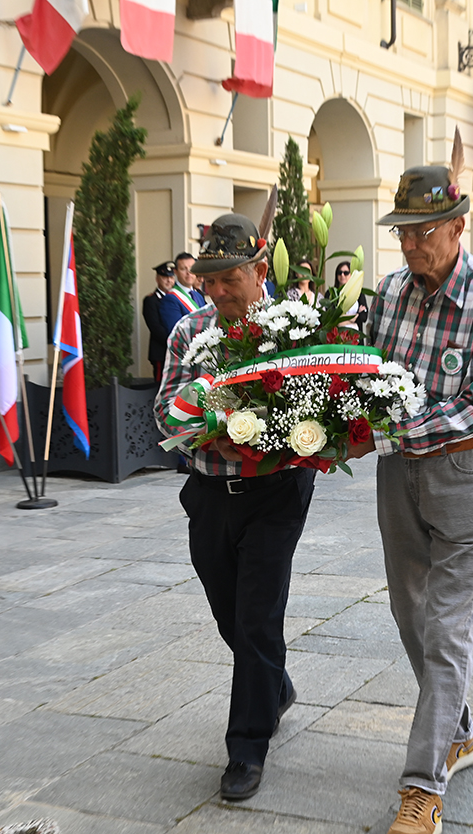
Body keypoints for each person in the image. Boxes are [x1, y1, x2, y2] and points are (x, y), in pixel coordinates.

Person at [353, 163, 473, 834]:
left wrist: (383, 435)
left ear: (458, 226)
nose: (411, 245)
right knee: (410, 613)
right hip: (398, 476)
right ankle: (460, 729)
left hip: (464, 473)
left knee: (449, 625)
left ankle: (422, 790)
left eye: (424, 232)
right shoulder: (389, 293)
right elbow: (365, 373)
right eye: (402, 233)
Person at [154, 214, 315, 803]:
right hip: (208, 494)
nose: (218, 291)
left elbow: (320, 412)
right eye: (210, 279)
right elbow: (164, 409)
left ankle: (246, 749)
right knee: (228, 614)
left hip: (275, 493)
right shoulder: (187, 332)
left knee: (256, 617)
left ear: (258, 269)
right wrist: (204, 429)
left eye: (230, 278)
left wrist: (268, 435)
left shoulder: (294, 334)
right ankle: (273, 686)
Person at [142, 261, 174, 383]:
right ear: (157, 279)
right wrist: (174, 341)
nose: (168, 281)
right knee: (162, 386)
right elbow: (155, 327)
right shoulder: (151, 300)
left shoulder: (176, 298)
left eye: (171, 277)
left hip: (177, 352)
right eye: (164, 277)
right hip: (161, 352)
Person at [335, 260, 368, 328]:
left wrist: (343, 319)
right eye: (339, 272)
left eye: (346, 273)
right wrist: (353, 317)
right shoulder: (332, 293)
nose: (342, 275)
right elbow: (333, 317)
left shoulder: (359, 293)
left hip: (356, 334)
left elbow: (363, 317)